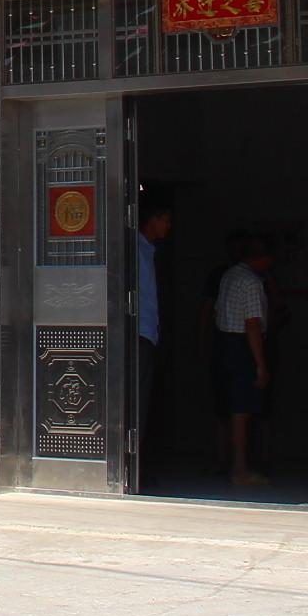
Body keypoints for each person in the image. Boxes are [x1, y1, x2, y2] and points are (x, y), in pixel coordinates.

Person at [212, 234, 273, 487]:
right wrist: (261, 363)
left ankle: (229, 461)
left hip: (225, 342)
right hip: (241, 346)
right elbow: (252, 324)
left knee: (232, 405)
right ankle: (240, 469)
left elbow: (216, 311)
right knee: (241, 409)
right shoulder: (251, 282)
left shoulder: (229, 276)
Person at [135, 183, 174, 478]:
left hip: (149, 332)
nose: (168, 226)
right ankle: (134, 467)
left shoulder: (148, 250)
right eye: (166, 220)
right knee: (138, 397)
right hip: (138, 334)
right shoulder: (135, 248)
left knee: (146, 397)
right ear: (153, 219)